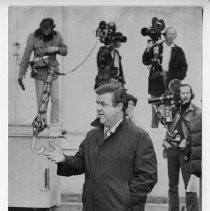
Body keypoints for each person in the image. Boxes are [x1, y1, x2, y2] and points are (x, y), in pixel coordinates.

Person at [44, 83, 157, 211]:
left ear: (119, 107)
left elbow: (148, 177)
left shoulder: (139, 137)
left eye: (103, 104)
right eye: (97, 103)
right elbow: (80, 163)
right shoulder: (92, 136)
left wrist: (125, 201)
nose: (98, 108)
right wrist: (64, 159)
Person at [18, 18, 68, 124]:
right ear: (40, 28)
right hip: (39, 73)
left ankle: (55, 125)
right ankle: (42, 123)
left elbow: (65, 50)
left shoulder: (57, 35)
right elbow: (26, 56)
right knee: (41, 102)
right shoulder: (33, 36)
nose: (46, 31)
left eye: (48, 29)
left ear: (52, 28)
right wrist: (21, 74)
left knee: (56, 100)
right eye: (43, 29)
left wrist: (56, 49)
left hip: (53, 72)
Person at [162, 84, 201, 211]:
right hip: (172, 152)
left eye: (187, 92)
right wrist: (165, 141)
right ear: (179, 95)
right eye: (183, 93)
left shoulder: (196, 111)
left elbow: (199, 134)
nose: (185, 95)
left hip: (186, 153)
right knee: (172, 186)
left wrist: (187, 141)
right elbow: (168, 129)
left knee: (189, 186)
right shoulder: (173, 109)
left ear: (191, 94)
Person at [142, 27, 188, 128]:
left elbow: (184, 67)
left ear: (175, 36)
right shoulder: (156, 47)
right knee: (156, 114)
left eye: (173, 34)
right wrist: (148, 49)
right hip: (156, 82)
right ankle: (154, 139)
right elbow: (146, 61)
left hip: (170, 84)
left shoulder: (178, 50)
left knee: (169, 113)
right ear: (165, 35)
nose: (170, 36)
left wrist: (176, 80)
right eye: (169, 33)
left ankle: (169, 140)